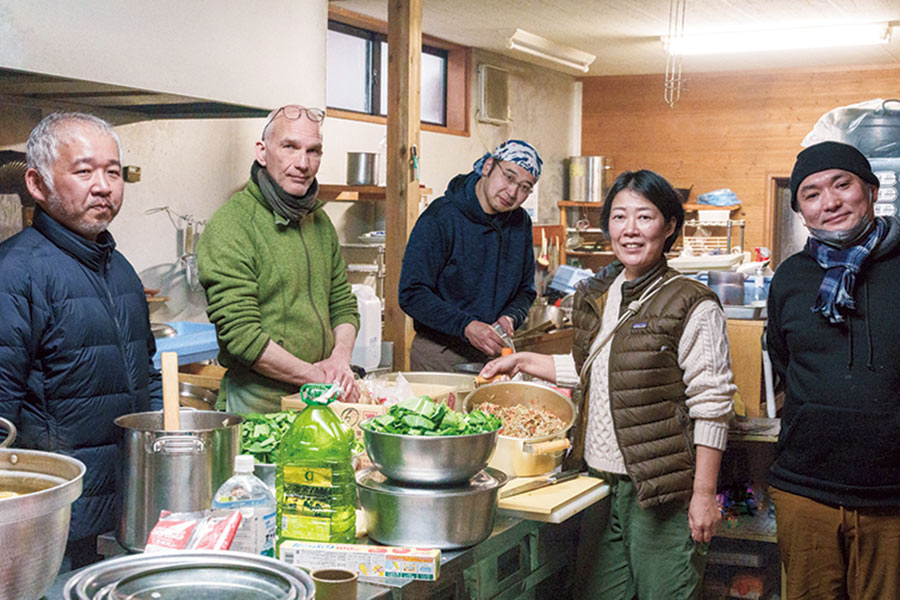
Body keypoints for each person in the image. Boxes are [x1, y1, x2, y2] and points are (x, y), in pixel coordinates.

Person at [480, 169, 735, 599]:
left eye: (644, 217)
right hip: (597, 483)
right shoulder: (599, 292)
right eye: (619, 217)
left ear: (669, 226)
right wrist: (523, 360)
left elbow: (712, 405)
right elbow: (594, 368)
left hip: (659, 490)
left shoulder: (692, 302)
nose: (630, 230)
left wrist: (704, 494)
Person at [0, 112, 162, 567]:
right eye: (84, 170)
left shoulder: (122, 269)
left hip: (124, 514)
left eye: (113, 171)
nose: (104, 186)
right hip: (51, 525)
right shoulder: (15, 273)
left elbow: (146, 379)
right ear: (36, 183)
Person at [767, 141, 900, 599]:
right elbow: (783, 360)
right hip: (805, 488)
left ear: (871, 189)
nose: (830, 202)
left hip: (892, 495)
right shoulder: (789, 278)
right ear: (801, 211)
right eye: (812, 193)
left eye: (842, 184)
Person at [197, 105, 360, 415]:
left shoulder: (319, 222)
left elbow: (342, 305)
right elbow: (242, 336)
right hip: (258, 408)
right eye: (290, 147)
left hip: (319, 400)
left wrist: (340, 360)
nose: (303, 163)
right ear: (262, 151)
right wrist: (318, 377)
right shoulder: (232, 225)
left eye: (313, 151)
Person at [398, 139, 540, 371]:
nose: (513, 192)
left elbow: (525, 291)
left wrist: (512, 316)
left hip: (495, 352)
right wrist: (466, 326)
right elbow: (412, 293)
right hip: (441, 354)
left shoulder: (520, 222)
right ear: (488, 167)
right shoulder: (441, 218)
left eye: (525, 187)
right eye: (509, 177)